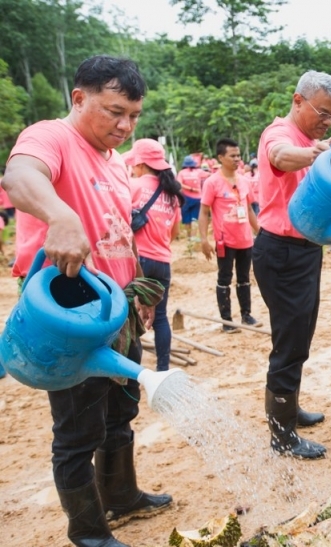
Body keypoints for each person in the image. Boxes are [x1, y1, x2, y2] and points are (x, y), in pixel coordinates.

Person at [1, 54, 171, 547]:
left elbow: (120, 232)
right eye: (114, 111)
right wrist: (59, 215)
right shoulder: (50, 137)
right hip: (70, 315)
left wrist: (141, 293)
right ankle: (89, 532)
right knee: (77, 431)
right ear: (79, 98)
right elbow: (20, 178)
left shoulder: (116, 162)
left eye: (134, 116)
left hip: (118, 308)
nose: (125, 125)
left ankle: (122, 494)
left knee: (121, 409)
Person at [253, 70, 331, 459]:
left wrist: (320, 146)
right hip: (282, 251)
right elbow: (279, 157)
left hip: (305, 251)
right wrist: (314, 154)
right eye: (322, 112)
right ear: (297, 101)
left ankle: (289, 407)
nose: (326, 120)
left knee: (301, 336)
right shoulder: (281, 135)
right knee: (288, 342)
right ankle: (282, 435)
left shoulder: (309, 139)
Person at [127, 138, 185, 371]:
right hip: (162, 262)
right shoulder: (171, 193)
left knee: (131, 319)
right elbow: (175, 231)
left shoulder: (133, 186)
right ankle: (162, 370)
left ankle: (132, 374)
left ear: (140, 164)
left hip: (136, 261)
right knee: (160, 317)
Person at [199, 137, 260, 332]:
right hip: (225, 240)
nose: (237, 159)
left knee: (244, 278)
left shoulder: (244, 181)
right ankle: (226, 320)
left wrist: (259, 232)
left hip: (245, 239)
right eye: (232, 156)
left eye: (238, 155)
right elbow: (204, 212)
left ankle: (246, 315)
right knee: (224, 278)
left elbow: (249, 209)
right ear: (220, 158)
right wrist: (204, 240)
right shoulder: (212, 183)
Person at [177, 155, 201, 240]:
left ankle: (188, 237)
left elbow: (179, 184)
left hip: (186, 198)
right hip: (198, 198)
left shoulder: (182, 173)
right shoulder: (198, 172)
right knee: (194, 218)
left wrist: (190, 188)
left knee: (187, 218)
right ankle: (193, 238)